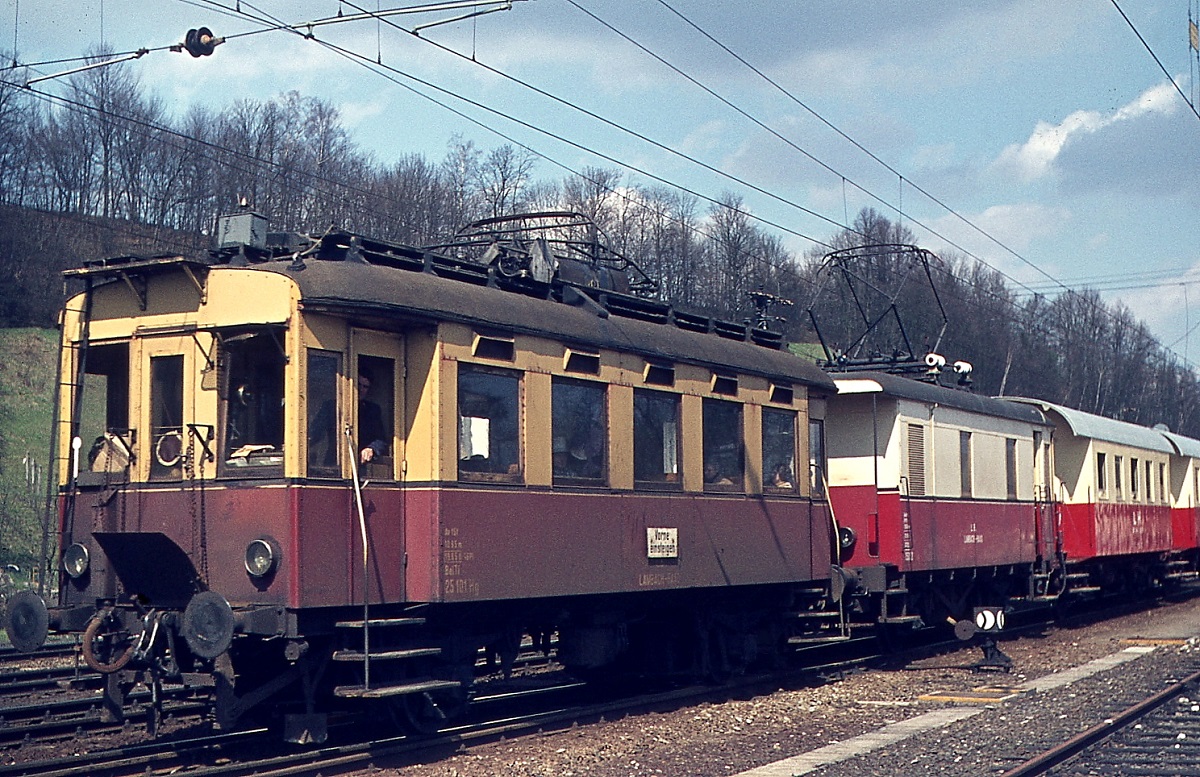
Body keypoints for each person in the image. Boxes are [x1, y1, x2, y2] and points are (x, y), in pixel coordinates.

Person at [357, 369, 388, 464]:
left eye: (365, 387)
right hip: (335, 466)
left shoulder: (372, 410)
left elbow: (381, 439)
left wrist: (371, 448)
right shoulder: (331, 406)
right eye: (358, 384)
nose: (360, 389)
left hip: (363, 466)